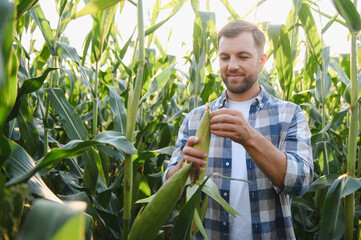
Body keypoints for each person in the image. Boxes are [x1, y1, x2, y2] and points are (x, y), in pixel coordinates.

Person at [162, 19, 313, 240]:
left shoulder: (289, 115)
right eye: (225, 57)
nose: (232, 65)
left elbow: (301, 181)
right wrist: (182, 170)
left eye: (243, 56)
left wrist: (249, 136)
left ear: (261, 61)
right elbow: (169, 190)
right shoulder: (195, 118)